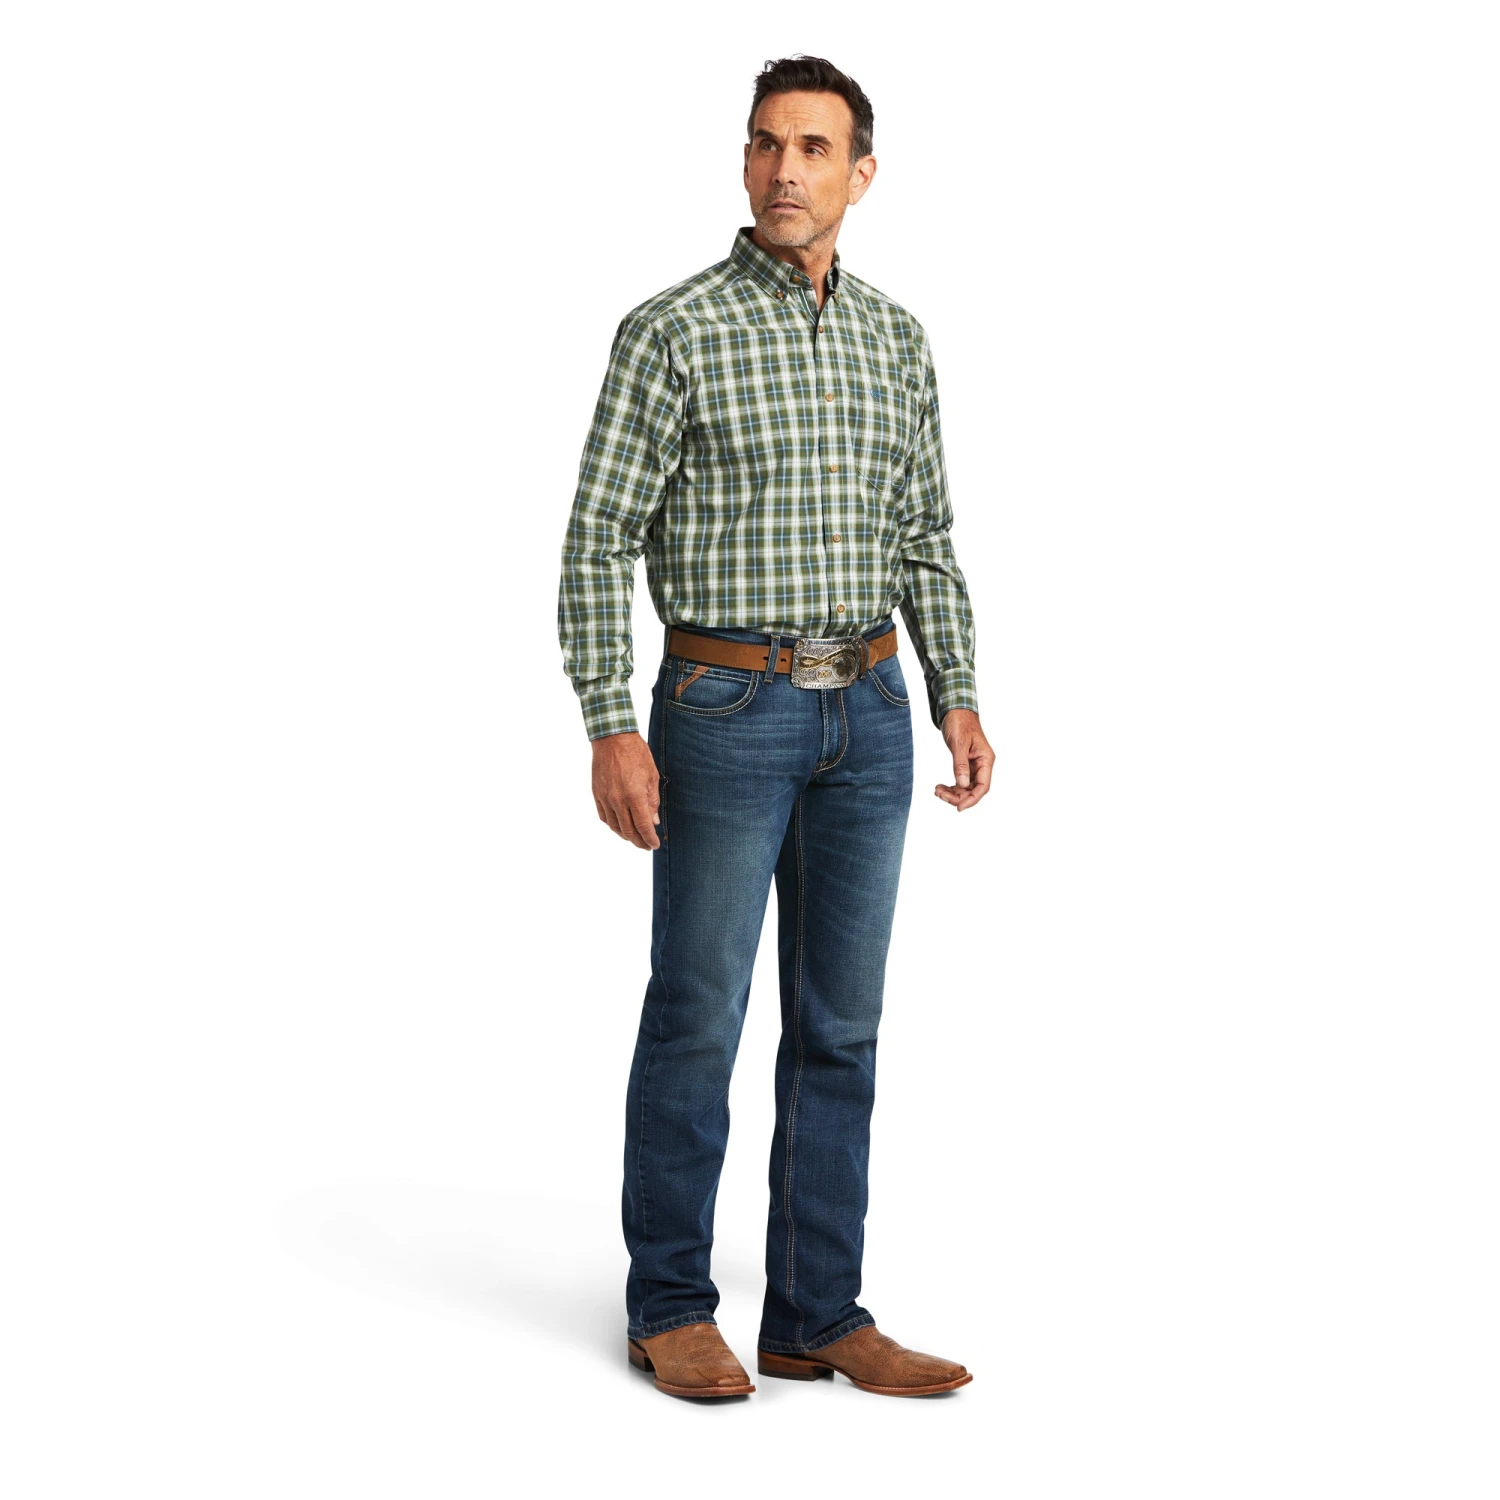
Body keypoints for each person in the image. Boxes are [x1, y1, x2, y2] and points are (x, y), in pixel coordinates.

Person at [557, 55, 992, 1399]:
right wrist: (609, 722)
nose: (784, 169)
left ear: (862, 174)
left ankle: (816, 1312)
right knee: (699, 1012)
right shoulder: (671, 331)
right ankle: (670, 1305)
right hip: (723, 708)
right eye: (764, 144)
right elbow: (596, 541)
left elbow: (924, 536)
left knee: (841, 1026)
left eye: (812, 148)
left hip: (869, 711)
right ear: (744, 163)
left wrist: (957, 691)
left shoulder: (898, 339)